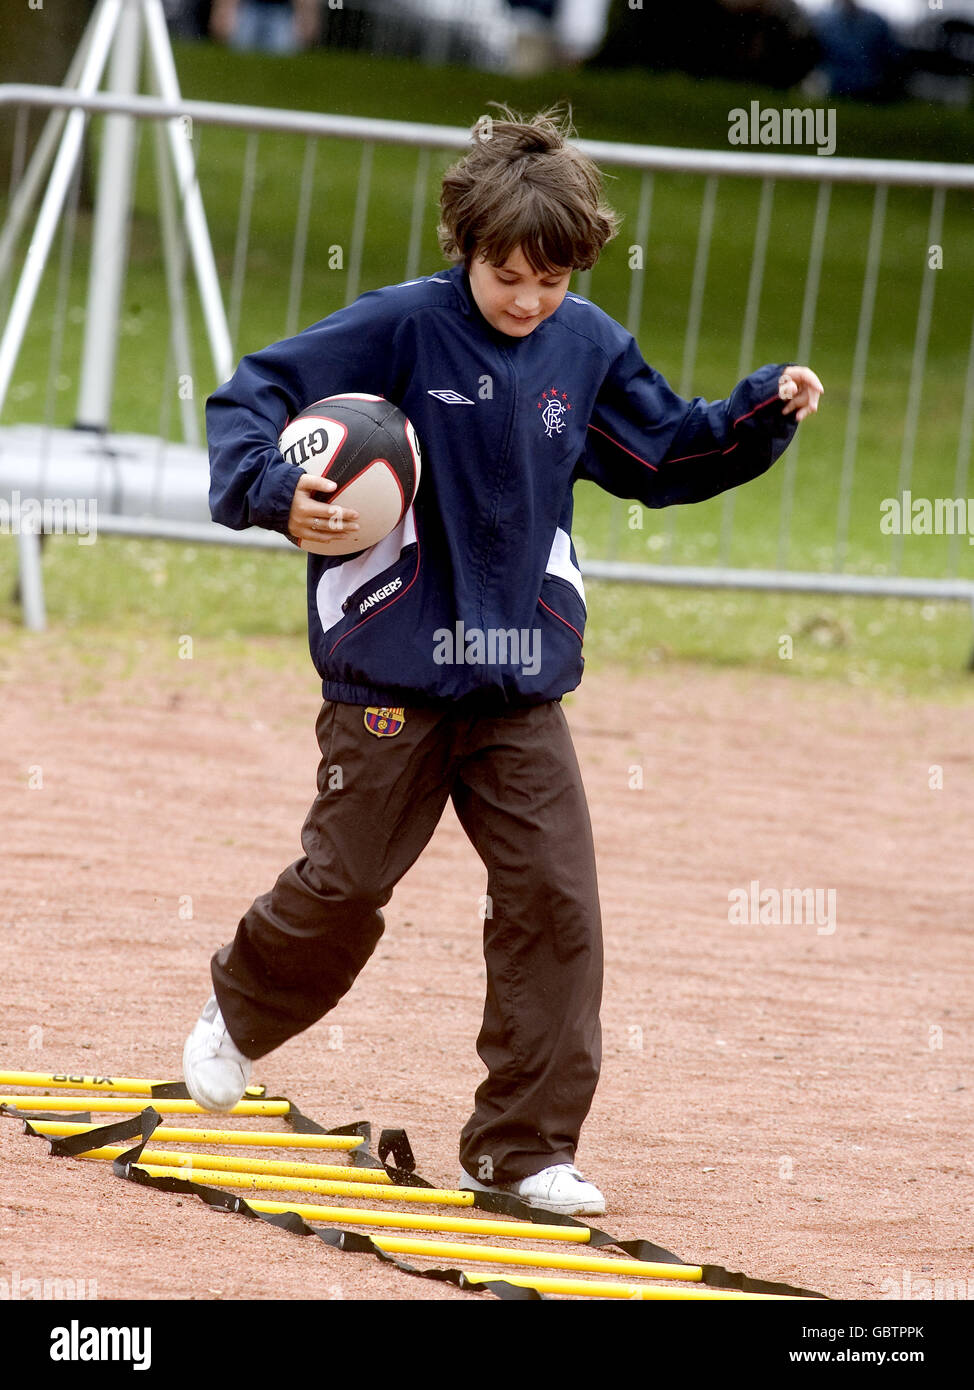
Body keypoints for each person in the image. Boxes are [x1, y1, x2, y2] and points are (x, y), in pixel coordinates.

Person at [183, 108, 823, 1217]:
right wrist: (276, 491)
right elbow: (251, 397)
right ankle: (237, 1014)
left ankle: (518, 1151)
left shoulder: (585, 346)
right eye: (506, 275)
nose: (528, 300)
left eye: (552, 280)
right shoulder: (400, 327)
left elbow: (664, 452)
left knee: (555, 902)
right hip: (391, 674)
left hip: (520, 680)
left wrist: (759, 410)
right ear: (462, 247)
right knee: (344, 888)